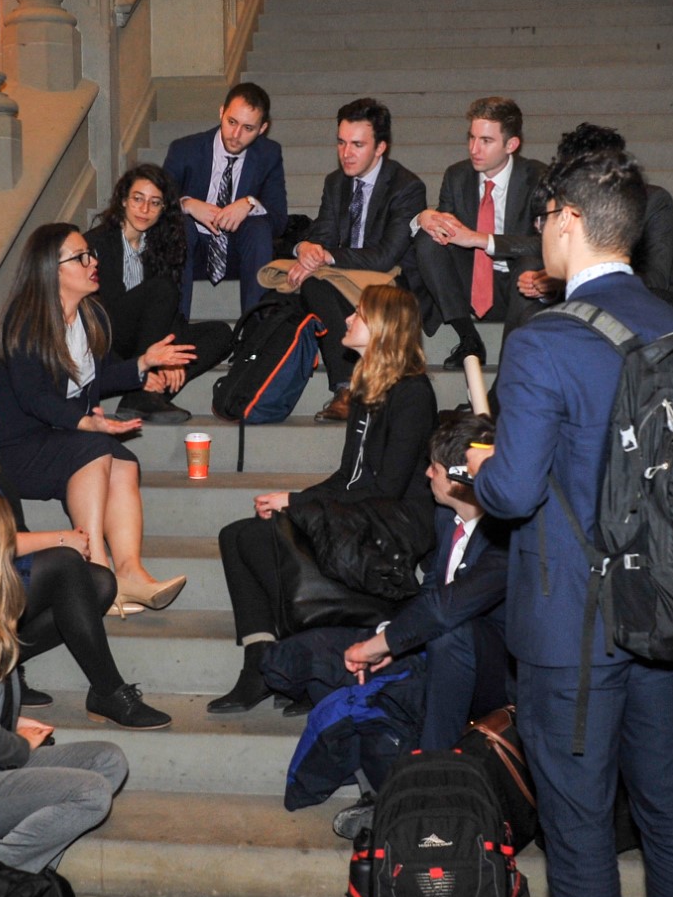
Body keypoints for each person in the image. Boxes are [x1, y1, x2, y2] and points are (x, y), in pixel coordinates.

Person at [466, 147, 673, 897]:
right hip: (665, 602)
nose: (539, 231)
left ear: (566, 219)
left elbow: (512, 494)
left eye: (541, 217)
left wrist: (479, 467)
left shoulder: (543, 341)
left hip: (572, 620)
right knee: (666, 795)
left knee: (576, 823)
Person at [0, 367, 171, 728]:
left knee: (100, 583)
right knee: (66, 563)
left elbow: (15, 537)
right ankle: (108, 690)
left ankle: (2, 664)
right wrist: (61, 538)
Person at [209, 285, 438, 713]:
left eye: (359, 315)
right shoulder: (369, 387)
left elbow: (387, 488)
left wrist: (299, 505)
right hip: (363, 510)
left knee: (263, 540)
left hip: (396, 524)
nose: (348, 321)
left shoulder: (412, 393)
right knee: (236, 535)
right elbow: (347, 476)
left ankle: (290, 663)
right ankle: (260, 661)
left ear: (384, 327)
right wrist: (295, 499)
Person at [0, 222, 190, 612]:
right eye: (81, 257)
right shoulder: (25, 320)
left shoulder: (86, 317)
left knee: (124, 461)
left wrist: (145, 364)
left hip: (59, 438)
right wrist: (85, 423)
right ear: (52, 268)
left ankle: (130, 572)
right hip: (16, 449)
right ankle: (98, 572)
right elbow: (35, 398)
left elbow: (98, 376)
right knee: (96, 449)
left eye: (90, 254)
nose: (92, 262)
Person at [0, 493, 129, 873]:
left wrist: (12, 724)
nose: (18, 557)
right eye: (9, 546)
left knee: (109, 760)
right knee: (90, 793)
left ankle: (31, 869)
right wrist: (19, 746)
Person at [344, 413, 510, 752]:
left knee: (450, 636)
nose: (426, 474)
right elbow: (432, 589)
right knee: (344, 659)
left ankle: (435, 769)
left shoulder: (505, 534)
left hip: (502, 672)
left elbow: (447, 609)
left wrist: (382, 644)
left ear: (455, 480)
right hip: (447, 652)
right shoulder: (446, 517)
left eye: (433, 467)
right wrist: (392, 639)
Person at [283, 98, 427, 421]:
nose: (346, 153)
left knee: (320, 279)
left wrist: (326, 255)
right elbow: (322, 232)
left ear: (380, 148)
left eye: (358, 145)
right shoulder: (336, 183)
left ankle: (355, 387)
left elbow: (387, 254)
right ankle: (346, 387)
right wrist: (306, 248)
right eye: (341, 142)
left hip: (391, 282)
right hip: (346, 279)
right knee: (311, 285)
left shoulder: (407, 187)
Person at [86, 163, 234, 424]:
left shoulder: (161, 244)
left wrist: (170, 359)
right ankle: (142, 387)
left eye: (155, 203)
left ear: (164, 209)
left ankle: (147, 395)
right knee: (161, 288)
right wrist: (141, 367)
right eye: (138, 199)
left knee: (221, 333)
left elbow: (167, 312)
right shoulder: (97, 243)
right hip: (110, 341)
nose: (145, 210)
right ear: (123, 200)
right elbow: (95, 319)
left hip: (148, 341)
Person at [410, 97, 548, 368]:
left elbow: (546, 244)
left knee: (530, 262)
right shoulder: (457, 176)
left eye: (486, 141)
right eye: (471, 138)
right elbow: (445, 229)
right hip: (470, 281)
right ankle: (469, 337)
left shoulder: (538, 176)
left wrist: (480, 239)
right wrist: (425, 218)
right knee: (428, 242)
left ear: (511, 145)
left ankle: (512, 357)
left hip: (516, 282)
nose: (474, 149)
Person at [517, 122, 673, 307]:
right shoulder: (563, 205)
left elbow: (657, 280)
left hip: (660, 303)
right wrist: (548, 286)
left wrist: (570, 277)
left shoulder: (653, 201)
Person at [164, 82, 289, 319]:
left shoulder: (268, 154)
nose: (236, 134)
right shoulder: (185, 150)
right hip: (190, 251)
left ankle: (255, 334)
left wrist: (250, 203)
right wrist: (188, 205)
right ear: (221, 112)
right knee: (179, 225)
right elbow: (156, 206)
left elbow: (279, 220)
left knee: (258, 226)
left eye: (248, 128)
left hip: (239, 255)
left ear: (263, 128)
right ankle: (174, 330)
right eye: (232, 122)